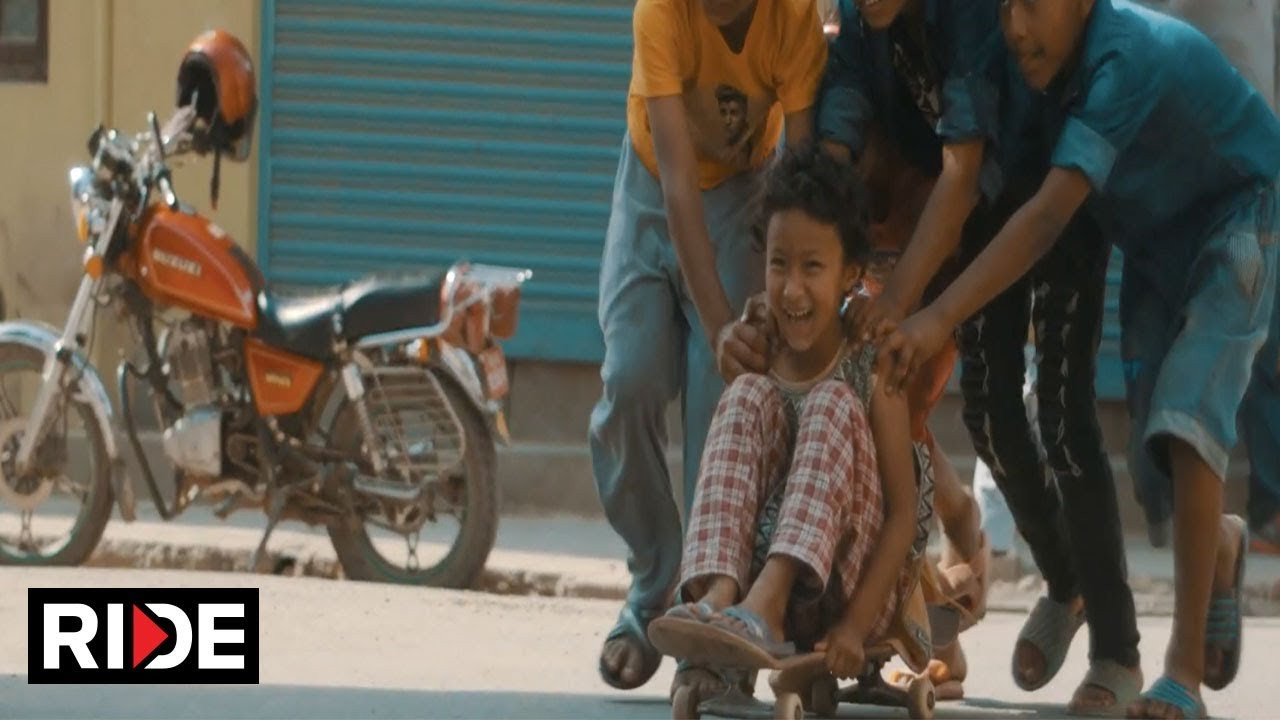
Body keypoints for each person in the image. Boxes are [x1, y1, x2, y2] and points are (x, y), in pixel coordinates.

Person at [879, 1, 1280, 716]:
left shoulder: (1121, 57)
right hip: (1157, 243)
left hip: (1243, 215)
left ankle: (1181, 672)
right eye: (1007, 6)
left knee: (1188, 419)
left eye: (1035, 5)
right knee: (1159, 452)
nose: (1016, 27)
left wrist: (937, 316)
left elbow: (1044, 218)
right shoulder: (1034, 67)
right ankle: (1215, 543)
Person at [821, 0, 1140, 712]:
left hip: (1058, 190)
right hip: (983, 219)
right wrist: (812, 241)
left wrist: (902, 303)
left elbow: (962, 168)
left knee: (1063, 414)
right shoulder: (860, 19)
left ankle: (1117, 649)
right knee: (989, 412)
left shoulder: (969, 13)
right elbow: (839, 128)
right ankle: (1063, 581)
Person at [591, 0, 827, 693]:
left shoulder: (794, 20)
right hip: (651, 188)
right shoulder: (662, 12)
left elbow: (801, 173)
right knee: (628, 380)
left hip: (744, 196)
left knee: (721, 405)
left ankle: (711, 622)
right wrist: (719, 320)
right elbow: (676, 182)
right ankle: (653, 588)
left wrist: (777, 292)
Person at [647, 146, 927, 685]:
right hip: (748, 586)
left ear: (850, 275)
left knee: (831, 402)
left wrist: (855, 627)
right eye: (779, 264)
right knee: (745, 394)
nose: (792, 288)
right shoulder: (762, 345)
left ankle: (768, 604)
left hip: (846, 591)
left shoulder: (871, 362)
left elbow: (902, 516)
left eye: (813, 267)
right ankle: (718, 594)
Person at [1131, 0, 1280, 558]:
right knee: (1153, 380)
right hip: (1159, 194)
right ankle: (1203, 531)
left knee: (1251, 361)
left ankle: (1262, 516)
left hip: (1250, 188)